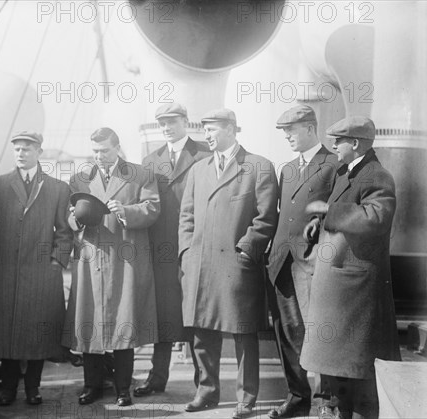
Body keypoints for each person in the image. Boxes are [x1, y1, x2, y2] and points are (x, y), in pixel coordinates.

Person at [179, 108, 278, 418]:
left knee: (243, 333)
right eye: (205, 130)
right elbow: (187, 216)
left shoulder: (258, 166)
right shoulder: (199, 169)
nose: (207, 136)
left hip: (237, 265)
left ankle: (246, 398)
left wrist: (246, 250)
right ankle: (206, 391)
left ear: (233, 130)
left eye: (214, 130)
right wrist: (186, 252)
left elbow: (266, 217)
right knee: (202, 332)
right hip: (201, 265)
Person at [300, 116, 400, 419]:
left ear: (355, 144)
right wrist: (319, 224)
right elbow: (346, 215)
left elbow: (375, 218)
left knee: (357, 369)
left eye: (338, 140)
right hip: (341, 290)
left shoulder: (377, 175)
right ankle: (333, 410)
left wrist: (329, 211)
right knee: (338, 366)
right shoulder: (350, 172)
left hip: (355, 293)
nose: (333, 145)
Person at [62, 127, 160, 407]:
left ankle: (123, 389)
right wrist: (76, 219)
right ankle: (91, 386)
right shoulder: (80, 178)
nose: (99, 156)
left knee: (123, 323)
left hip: (124, 258)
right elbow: (68, 219)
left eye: (104, 150)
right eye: (94, 151)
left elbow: (153, 208)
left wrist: (126, 211)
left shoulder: (141, 174)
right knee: (89, 322)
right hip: (91, 259)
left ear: (117, 147)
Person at [0, 131, 72, 407]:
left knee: (39, 334)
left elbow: (64, 231)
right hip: (6, 272)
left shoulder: (57, 187)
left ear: (39, 152)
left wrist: (56, 261)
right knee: (6, 332)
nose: (21, 154)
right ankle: (8, 389)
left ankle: (33, 388)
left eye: (27, 149)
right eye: (17, 149)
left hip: (42, 272)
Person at [266, 105, 339, 418]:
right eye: (284, 131)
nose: (286, 136)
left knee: (317, 333)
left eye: (291, 130)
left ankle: (326, 402)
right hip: (282, 263)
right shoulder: (287, 169)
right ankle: (298, 397)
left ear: (310, 128)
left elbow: (338, 214)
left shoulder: (335, 164)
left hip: (313, 264)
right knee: (287, 333)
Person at [136, 103, 210, 397]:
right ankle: (157, 378)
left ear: (185, 121)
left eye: (172, 121)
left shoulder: (203, 154)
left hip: (195, 245)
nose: (167, 127)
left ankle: (203, 382)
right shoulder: (151, 160)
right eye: (162, 123)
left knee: (196, 316)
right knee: (164, 315)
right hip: (163, 249)